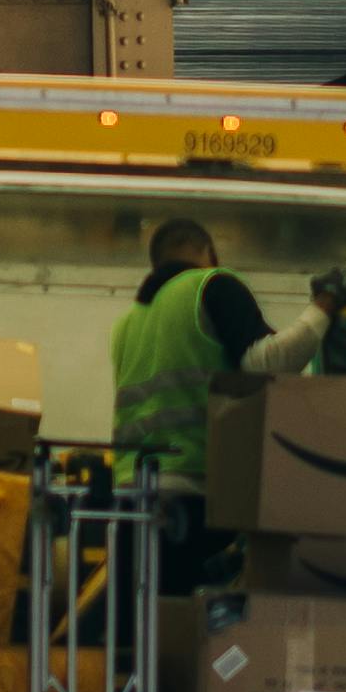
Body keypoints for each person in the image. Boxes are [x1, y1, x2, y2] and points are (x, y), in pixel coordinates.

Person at [108, 218, 269, 585]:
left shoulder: (127, 323)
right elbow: (268, 361)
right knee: (194, 627)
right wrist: (321, 313)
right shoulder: (211, 285)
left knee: (140, 625)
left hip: (129, 497)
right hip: (192, 495)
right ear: (208, 253)